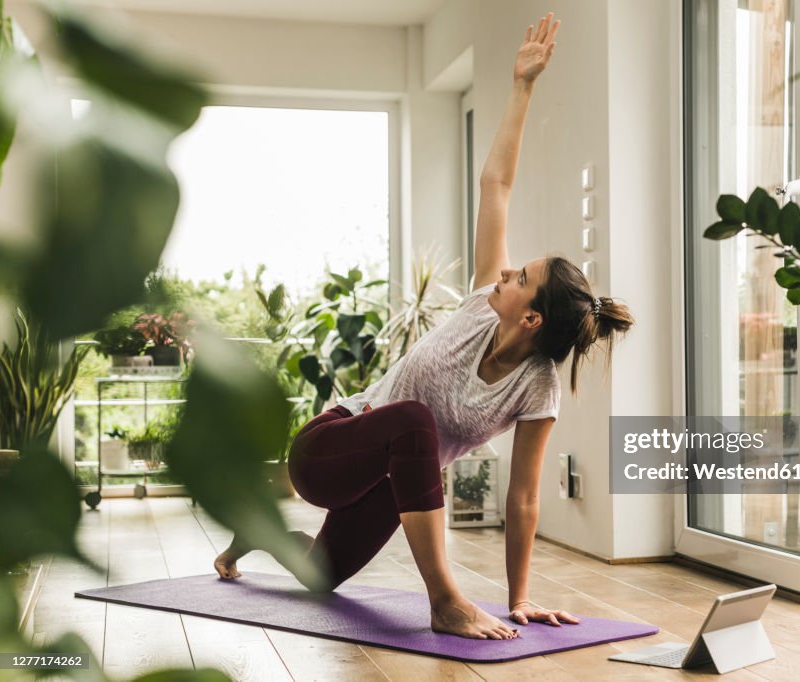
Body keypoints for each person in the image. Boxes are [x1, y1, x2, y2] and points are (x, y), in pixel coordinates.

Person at [213, 12, 635, 641]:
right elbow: (496, 183)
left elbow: (522, 498)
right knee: (414, 420)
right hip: (332, 446)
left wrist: (521, 599)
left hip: (390, 482)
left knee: (319, 576)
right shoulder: (478, 306)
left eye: (518, 277)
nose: (503, 274)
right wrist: (522, 86)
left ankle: (252, 531)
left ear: (533, 317)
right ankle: (446, 600)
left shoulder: (536, 390)